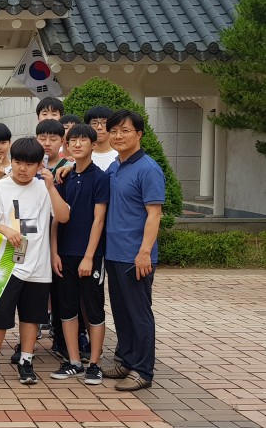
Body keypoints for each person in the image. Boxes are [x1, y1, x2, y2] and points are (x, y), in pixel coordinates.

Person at [0, 137, 70, 386]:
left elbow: (63, 216)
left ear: (40, 165)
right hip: (6, 267)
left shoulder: (44, 188)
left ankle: (26, 362)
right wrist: (5, 230)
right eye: (18, 162)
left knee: (31, 318)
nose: (23, 169)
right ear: (12, 161)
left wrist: (51, 187)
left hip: (38, 267)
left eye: (30, 164)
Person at [101, 110, 164, 392]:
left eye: (125, 131)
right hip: (114, 253)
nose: (118, 136)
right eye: (114, 131)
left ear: (139, 134)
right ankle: (126, 361)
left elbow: (154, 214)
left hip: (135, 256)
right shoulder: (115, 166)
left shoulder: (148, 169)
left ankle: (143, 371)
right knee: (121, 311)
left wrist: (145, 252)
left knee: (139, 313)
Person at [48, 124, 109, 385]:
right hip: (64, 254)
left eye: (83, 139)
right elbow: (56, 218)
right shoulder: (64, 177)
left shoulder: (101, 178)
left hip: (90, 256)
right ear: (67, 145)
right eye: (72, 140)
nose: (77, 143)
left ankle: (94, 363)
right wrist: (54, 252)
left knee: (93, 310)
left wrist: (89, 256)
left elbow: (99, 220)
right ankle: (73, 361)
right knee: (67, 308)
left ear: (93, 145)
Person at [85, 106, 117, 170]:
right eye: (94, 123)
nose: (99, 127)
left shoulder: (121, 155)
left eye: (104, 123)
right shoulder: (82, 156)